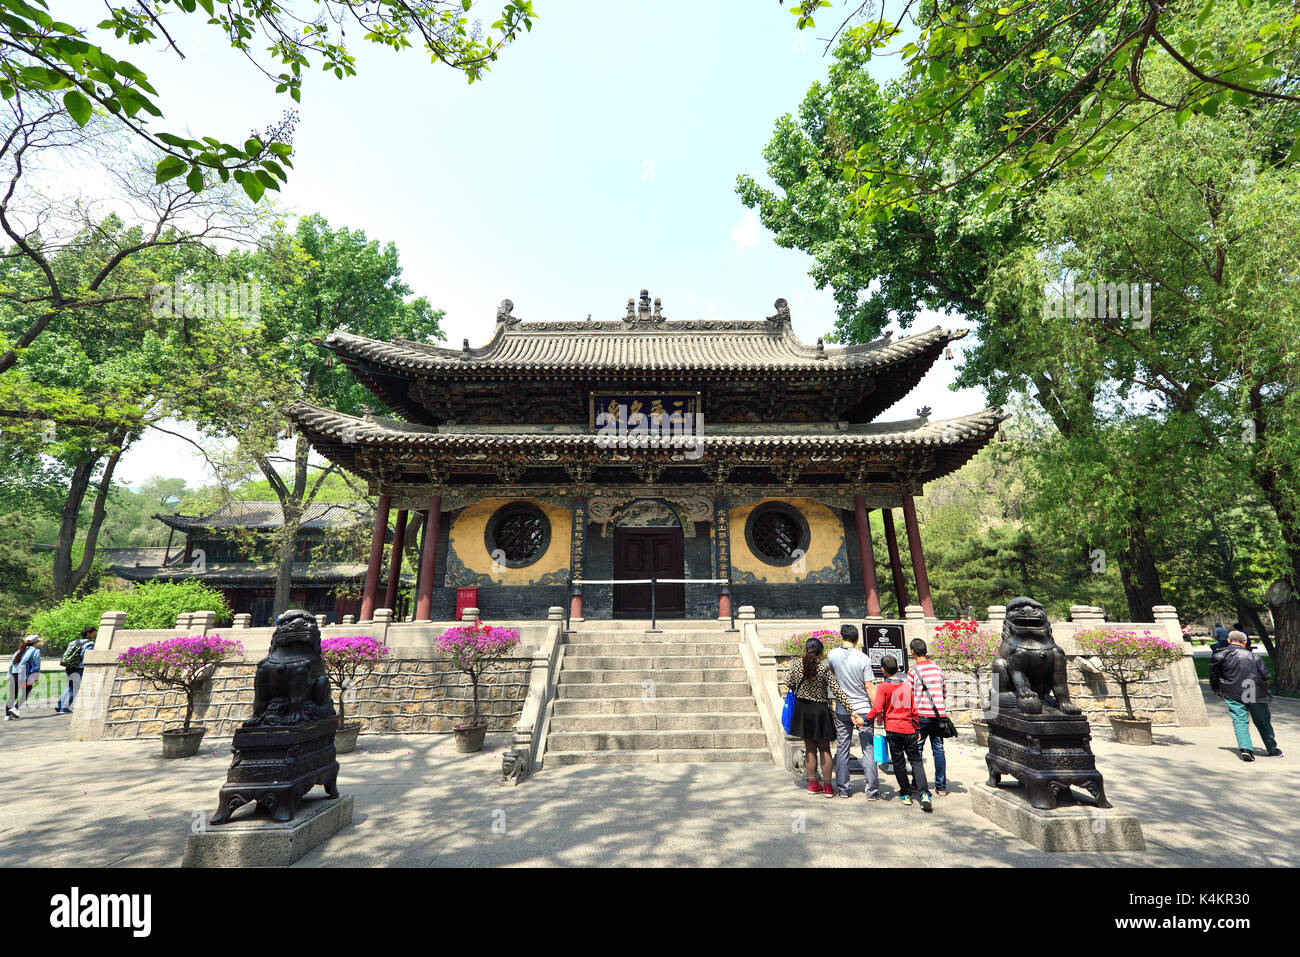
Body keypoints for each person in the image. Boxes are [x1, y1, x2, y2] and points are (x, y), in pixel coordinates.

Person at [787, 635, 860, 797]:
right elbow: (836, 690)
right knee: (825, 749)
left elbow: (788, 682)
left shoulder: (796, 665)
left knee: (810, 749)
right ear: (820, 652)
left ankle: (813, 784)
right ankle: (828, 787)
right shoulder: (823, 668)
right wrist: (851, 709)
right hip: (820, 711)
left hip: (803, 710)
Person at [866, 654, 933, 812]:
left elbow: (877, 708)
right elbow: (913, 710)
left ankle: (906, 794)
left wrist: (866, 719)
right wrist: (916, 728)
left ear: (883, 670)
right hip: (909, 728)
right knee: (916, 761)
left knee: (899, 762)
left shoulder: (883, 687)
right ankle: (924, 794)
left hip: (893, 729)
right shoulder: (906, 686)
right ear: (897, 668)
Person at [1209, 630, 1282, 762]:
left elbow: (1213, 674)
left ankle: (1246, 749)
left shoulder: (1220, 655)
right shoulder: (1254, 657)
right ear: (1245, 642)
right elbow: (1266, 676)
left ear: (1229, 641)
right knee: (1263, 721)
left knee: (1239, 720)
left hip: (1232, 691)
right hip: (1255, 692)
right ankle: (1272, 749)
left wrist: (1215, 688)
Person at [827, 624, 880, 800]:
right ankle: (872, 790)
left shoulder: (832, 655)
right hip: (864, 710)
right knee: (868, 749)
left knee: (842, 748)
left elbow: (831, 680)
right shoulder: (863, 658)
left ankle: (843, 788)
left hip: (843, 710)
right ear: (857, 640)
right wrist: (879, 709)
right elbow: (869, 687)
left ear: (841, 637)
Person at [907, 638, 949, 796]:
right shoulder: (938, 669)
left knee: (917, 750)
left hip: (921, 716)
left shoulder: (913, 672)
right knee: (938, 749)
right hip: (938, 716)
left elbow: (909, 698)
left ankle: (917, 784)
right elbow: (944, 693)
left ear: (912, 652)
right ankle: (941, 786)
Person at [55, 626, 96, 715]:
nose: (95, 634)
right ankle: (64, 708)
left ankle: (60, 704)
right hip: (78, 667)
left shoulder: (73, 642)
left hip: (69, 666)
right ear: (88, 633)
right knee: (74, 688)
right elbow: (84, 655)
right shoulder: (90, 643)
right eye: (94, 632)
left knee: (70, 686)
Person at [5, 635, 42, 720]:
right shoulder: (36, 651)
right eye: (37, 641)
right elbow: (37, 664)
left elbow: (12, 664)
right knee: (26, 693)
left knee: (12, 695)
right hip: (25, 675)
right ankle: (15, 708)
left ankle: (7, 715)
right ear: (35, 642)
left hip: (14, 674)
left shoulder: (18, 651)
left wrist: (8, 675)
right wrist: (36, 676)